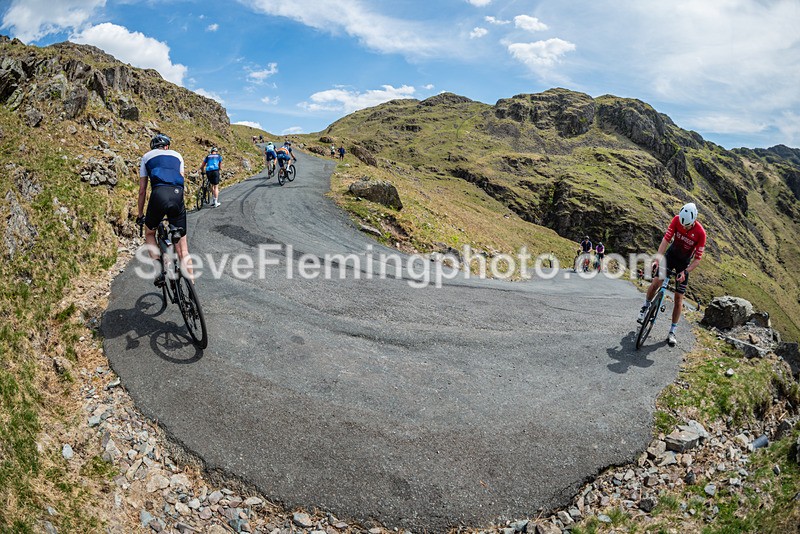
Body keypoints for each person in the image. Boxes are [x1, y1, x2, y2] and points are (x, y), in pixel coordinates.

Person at [638, 202, 706, 347]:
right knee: (656, 282)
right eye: (683, 225)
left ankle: (672, 331)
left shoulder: (701, 233)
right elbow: (666, 240)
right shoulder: (676, 220)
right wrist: (657, 259)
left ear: (694, 221)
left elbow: (698, 259)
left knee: (678, 298)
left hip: (684, 264)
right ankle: (645, 307)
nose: (685, 227)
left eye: (687, 226)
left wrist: (685, 272)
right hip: (670, 256)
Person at [136, 133, 193, 283]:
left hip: (158, 195)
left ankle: (158, 270)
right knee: (183, 249)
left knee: (150, 233)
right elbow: (181, 179)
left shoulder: (146, 156)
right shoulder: (178, 155)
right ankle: (193, 293)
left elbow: (142, 190)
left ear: (153, 147)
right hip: (177, 194)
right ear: (167, 147)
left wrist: (140, 214)